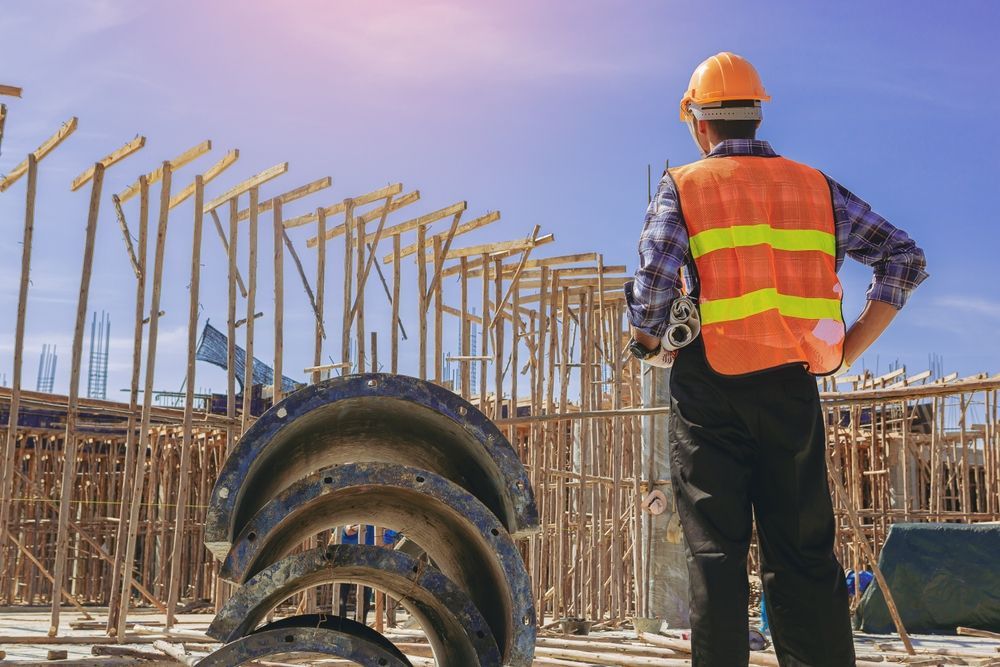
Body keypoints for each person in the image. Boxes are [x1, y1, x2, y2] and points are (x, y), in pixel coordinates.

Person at [624, 52, 927, 666]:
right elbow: (904, 258)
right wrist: (847, 349)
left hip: (710, 389)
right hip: (791, 389)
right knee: (805, 555)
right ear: (757, 116)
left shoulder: (683, 184)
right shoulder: (813, 185)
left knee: (716, 558)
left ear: (698, 122)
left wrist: (649, 342)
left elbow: (654, 282)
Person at [337, 524, 397, 623]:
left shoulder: (378, 518)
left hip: (368, 558)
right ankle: (340, 626)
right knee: (341, 597)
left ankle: (359, 627)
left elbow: (392, 533)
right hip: (347, 556)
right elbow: (344, 529)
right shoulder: (349, 514)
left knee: (364, 598)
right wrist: (349, 528)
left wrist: (389, 536)